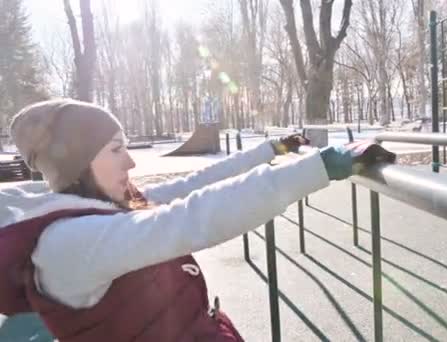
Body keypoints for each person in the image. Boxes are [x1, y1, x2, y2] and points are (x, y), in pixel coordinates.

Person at [0, 98, 393, 341]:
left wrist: (268, 150)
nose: (131, 161)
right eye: (116, 149)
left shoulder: (107, 208)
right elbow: (194, 217)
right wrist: (319, 168)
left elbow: (197, 184)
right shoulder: (71, 242)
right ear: (78, 162)